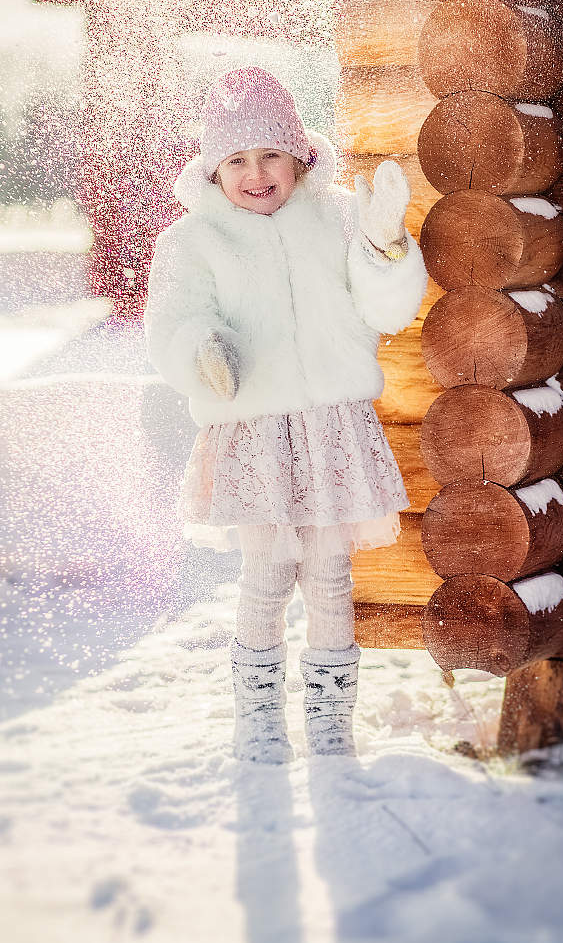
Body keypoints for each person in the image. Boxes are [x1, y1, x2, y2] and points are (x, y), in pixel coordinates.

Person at [144, 67, 428, 763]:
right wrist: (201, 351)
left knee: (331, 576)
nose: (256, 172)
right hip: (256, 431)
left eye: (271, 153)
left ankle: (331, 720)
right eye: (236, 160)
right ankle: (259, 717)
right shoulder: (193, 241)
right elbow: (175, 323)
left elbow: (383, 307)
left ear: (300, 156)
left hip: (331, 427)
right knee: (267, 574)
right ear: (214, 170)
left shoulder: (335, 217)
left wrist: (385, 247)